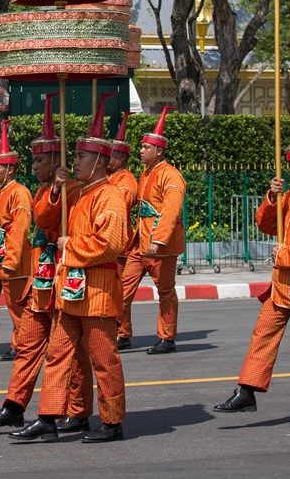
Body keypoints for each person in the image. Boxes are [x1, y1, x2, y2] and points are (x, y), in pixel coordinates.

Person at [10, 94, 129, 443]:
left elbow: (110, 244)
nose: (74, 161)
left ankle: (112, 421)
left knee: (104, 358)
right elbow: (44, 217)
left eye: (80, 157)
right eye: (75, 156)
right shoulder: (76, 191)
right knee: (59, 353)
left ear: (100, 161)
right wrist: (58, 188)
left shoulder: (110, 197)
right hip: (71, 288)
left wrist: (70, 246)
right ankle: (49, 416)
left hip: (97, 290)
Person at [215, 99, 290, 426]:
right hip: (284, 280)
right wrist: (272, 199)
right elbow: (266, 225)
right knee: (263, 332)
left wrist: (285, 254)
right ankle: (248, 388)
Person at [0, 92, 94, 431]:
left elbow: (45, 221)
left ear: (54, 161)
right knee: (28, 343)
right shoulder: (46, 190)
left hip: (64, 275)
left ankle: (78, 410)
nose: (34, 167)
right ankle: (15, 404)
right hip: (41, 277)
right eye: (31, 162)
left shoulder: (72, 190)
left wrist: (59, 192)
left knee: (70, 352)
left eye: (38, 162)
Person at [118, 105, 185, 354]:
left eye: (146, 147)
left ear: (159, 150)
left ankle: (167, 338)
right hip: (139, 244)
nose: (141, 151)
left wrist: (158, 240)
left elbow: (170, 210)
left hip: (161, 247)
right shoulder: (146, 174)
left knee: (165, 291)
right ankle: (122, 334)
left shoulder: (171, 176)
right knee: (123, 287)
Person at [0, 120, 33, 362]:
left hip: (15, 262)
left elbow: (20, 228)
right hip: (2, 260)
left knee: (18, 308)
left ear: (10, 169)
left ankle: (24, 346)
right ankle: (19, 344)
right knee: (13, 308)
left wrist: (11, 260)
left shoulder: (20, 192)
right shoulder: (2, 192)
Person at [106, 110, 138, 281]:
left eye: (110, 154)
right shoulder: (106, 175)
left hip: (119, 245)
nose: (106, 158)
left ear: (122, 157)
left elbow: (118, 207)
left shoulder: (127, 180)